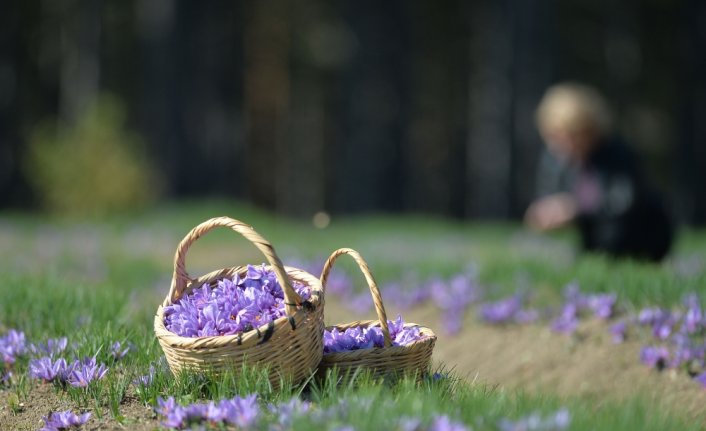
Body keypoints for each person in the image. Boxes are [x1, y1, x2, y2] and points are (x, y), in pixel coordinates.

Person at [524, 82, 673, 261]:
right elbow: (550, 195)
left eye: (569, 134)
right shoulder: (558, 160)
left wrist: (576, 210)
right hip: (596, 244)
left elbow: (624, 202)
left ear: (589, 129)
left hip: (640, 240)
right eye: (554, 136)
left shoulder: (617, 154)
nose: (559, 145)